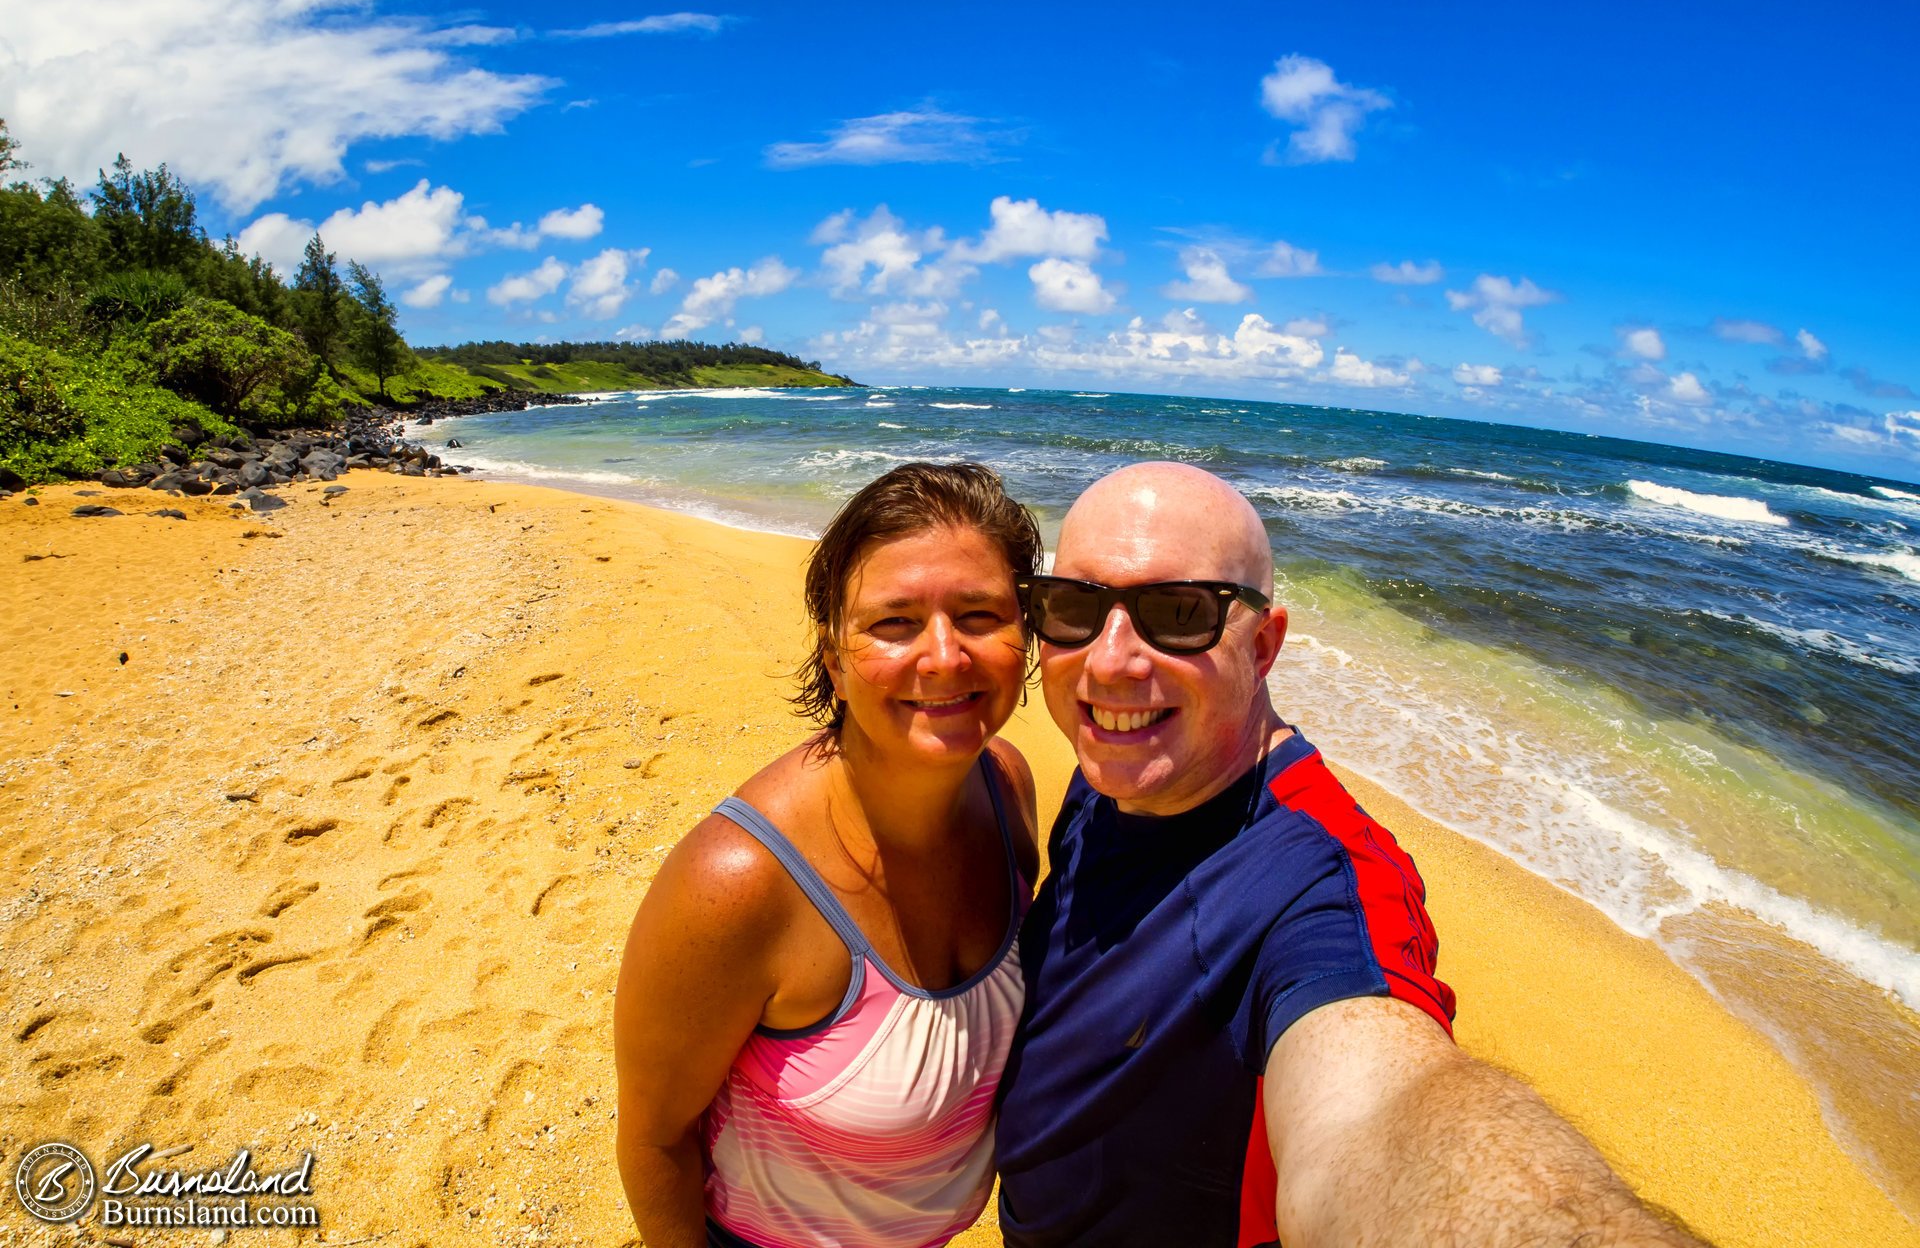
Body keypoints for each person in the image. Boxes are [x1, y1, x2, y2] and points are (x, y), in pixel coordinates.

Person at [995, 461, 1707, 1248]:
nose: (1109, 661)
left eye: (1179, 612)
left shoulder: (1321, 881)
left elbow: (1382, 1111)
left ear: (1263, 646)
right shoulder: (1119, 767)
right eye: (1073, 607)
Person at [614, 462, 1043, 1248]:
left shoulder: (1008, 788)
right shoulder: (739, 883)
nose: (945, 656)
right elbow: (653, 1140)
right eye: (895, 622)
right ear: (835, 662)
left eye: (980, 614)